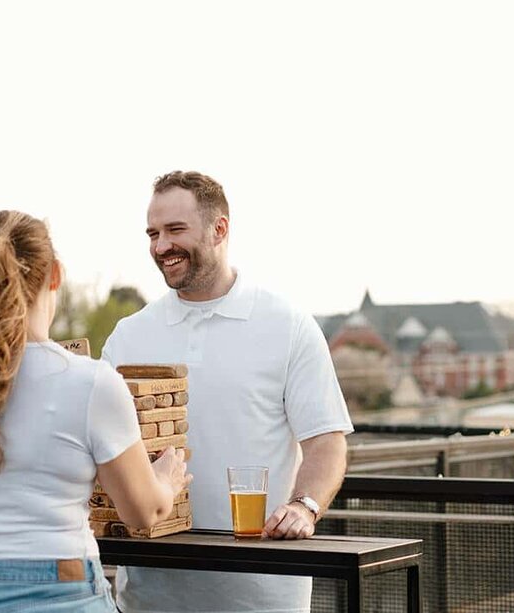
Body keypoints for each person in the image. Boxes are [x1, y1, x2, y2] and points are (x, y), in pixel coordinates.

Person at [0, 210, 191, 613]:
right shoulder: (91, 382)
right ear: (55, 275)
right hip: (58, 591)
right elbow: (142, 512)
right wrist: (165, 481)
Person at [102, 172, 353, 613]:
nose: (161, 246)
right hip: (148, 598)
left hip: (264, 595)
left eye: (175, 230)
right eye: (153, 233)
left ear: (220, 229)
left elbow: (326, 442)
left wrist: (304, 507)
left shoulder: (287, 323)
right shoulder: (128, 336)